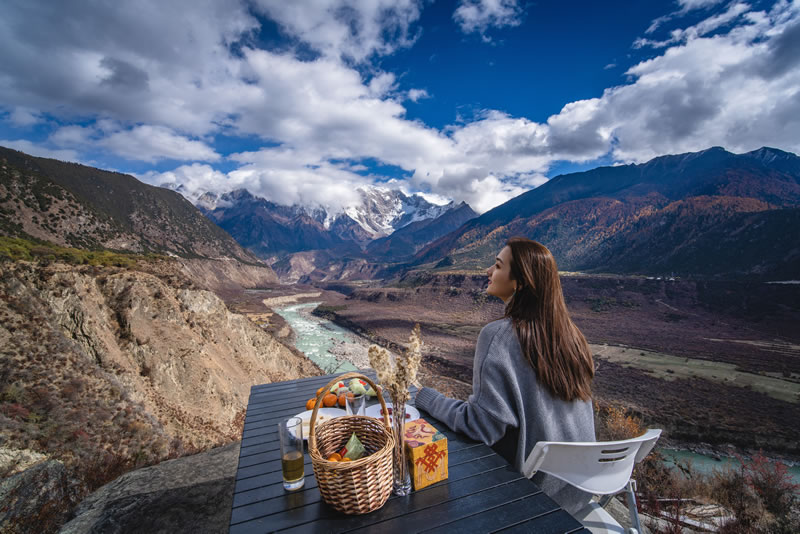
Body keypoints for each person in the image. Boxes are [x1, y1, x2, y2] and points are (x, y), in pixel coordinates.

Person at [414, 237, 596, 514]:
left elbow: (480, 427)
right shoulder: (572, 337)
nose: (488, 271)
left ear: (520, 282)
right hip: (579, 493)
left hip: (534, 498)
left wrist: (425, 397)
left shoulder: (498, 336)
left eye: (498, 266)